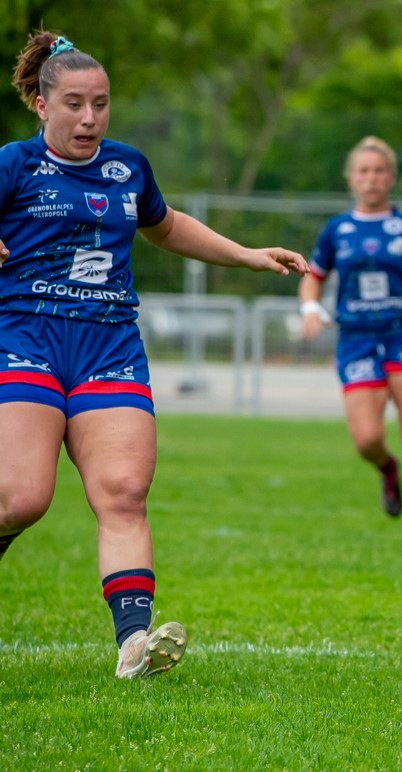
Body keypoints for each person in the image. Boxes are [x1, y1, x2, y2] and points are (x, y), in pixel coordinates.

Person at [0, 32, 307, 677]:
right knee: (21, 498)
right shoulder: (13, 166)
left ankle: (134, 644)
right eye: (75, 105)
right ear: (40, 104)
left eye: (102, 105)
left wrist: (247, 253)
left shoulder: (127, 167)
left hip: (109, 345)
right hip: (24, 339)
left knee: (124, 491)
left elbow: (165, 226)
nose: (90, 119)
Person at [299, 136, 402, 533]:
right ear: (351, 178)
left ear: (391, 178)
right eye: (364, 171)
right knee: (368, 439)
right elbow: (313, 278)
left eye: (380, 170)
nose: (372, 178)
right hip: (357, 338)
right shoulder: (337, 229)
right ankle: (388, 469)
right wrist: (310, 308)